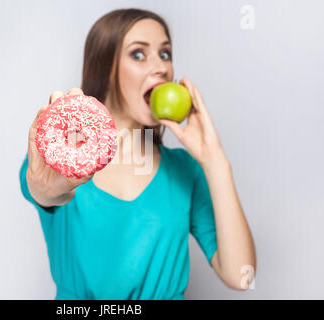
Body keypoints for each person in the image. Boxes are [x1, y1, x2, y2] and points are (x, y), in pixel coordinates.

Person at [19, 8, 256, 300]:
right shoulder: (55, 163)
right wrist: (53, 186)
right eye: (139, 54)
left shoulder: (185, 171)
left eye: (165, 54)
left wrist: (215, 160)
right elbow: (45, 191)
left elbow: (241, 275)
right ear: (104, 68)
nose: (161, 68)